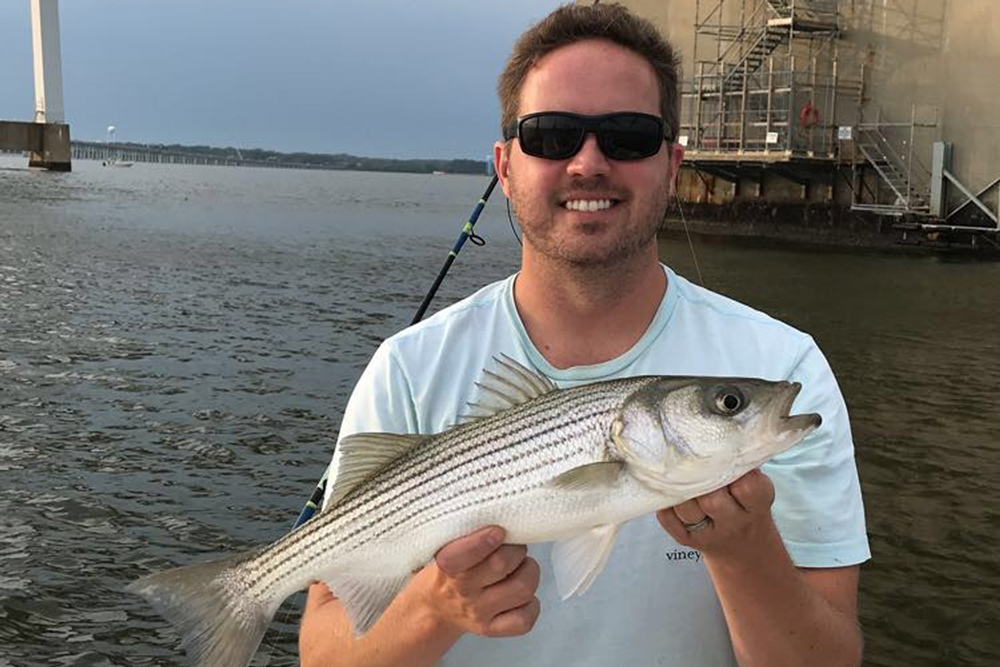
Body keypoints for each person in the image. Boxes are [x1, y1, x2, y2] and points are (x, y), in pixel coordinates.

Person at [299, 4, 870, 666]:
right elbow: (322, 652)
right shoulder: (409, 368)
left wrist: (745, 553)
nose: (588, 163)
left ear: (672, 164)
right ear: (505, 166)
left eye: (628, 137)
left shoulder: (779, 360)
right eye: (550, 135)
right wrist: (432, 608)